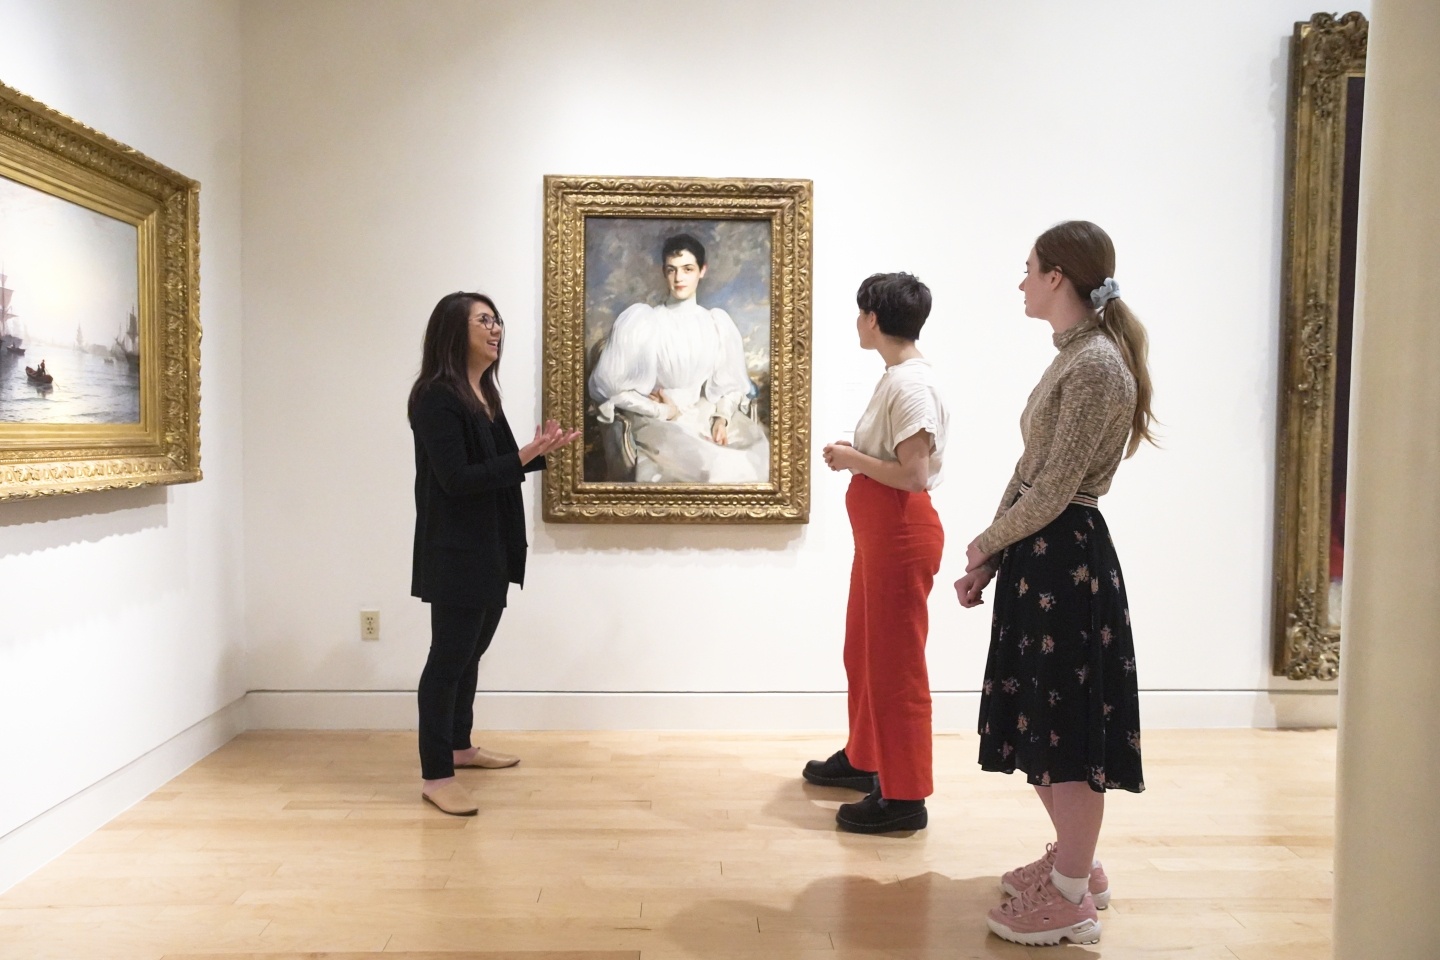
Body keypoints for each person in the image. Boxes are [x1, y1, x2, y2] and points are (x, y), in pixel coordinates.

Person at [954, 221, 1154, 946]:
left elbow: (1054, 489)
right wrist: (991, 553)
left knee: (1064, 731)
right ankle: (1079, 867)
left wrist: (985, 543)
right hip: (1042, 558)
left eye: (1029, 268)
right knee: (1044, 722)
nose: (1021, 281)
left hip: (1064, 562)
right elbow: (1030, 472)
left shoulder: (1097, 365)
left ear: (1059, 278)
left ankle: (1072, 894)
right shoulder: (1076, 358)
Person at [408, 291, 579, 816]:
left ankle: (460, 746)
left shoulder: (483, 392)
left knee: (471, 654)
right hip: (455, 549)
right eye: (484, 320)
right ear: (453, 331)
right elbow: (456, 480)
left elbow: (498, 465)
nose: (496, 329)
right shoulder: (436, 397)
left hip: (491, 545)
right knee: (447, 661)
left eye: (497, 320)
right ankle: (436, 774)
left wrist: (535, 454)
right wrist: (523, 456)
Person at [805, 272, 949, 833]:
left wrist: (850, 459)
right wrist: (858, 453)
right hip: (880, 536)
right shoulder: (897, 378)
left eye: (859, 311)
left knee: (895, 667)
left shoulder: (911, 385)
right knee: (864, 651)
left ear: (872, 318)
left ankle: (905, 796)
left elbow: (913, 475)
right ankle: (867, 759)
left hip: (900, 534)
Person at [587, 233, 768, 483]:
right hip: (656, 421)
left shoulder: (716, 323)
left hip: (702, 413)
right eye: (672, 270)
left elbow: (730, 383)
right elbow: (609, 389)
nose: (679, 278)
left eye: (687, 269)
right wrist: (662, 410)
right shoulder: (644, 321)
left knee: (752, 458)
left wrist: (722, 418)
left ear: (702, 271)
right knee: (711, 467)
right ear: (664, 272)